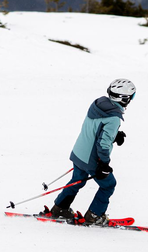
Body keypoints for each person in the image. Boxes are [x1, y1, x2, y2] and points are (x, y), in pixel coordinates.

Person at [50, 79, 136, 225]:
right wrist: (103, 163)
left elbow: (96, 129)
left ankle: (59, 208)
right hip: (92, 158)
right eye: (132, 97)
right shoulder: (114, 118)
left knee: (77, 181)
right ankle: (94, 215)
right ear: (125, 99)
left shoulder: (98, 104)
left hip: (79, 153)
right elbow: (103, 143)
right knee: (109, 184)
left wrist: (115, 134)